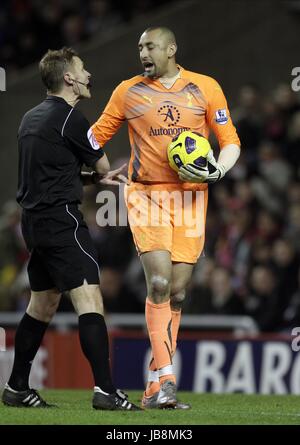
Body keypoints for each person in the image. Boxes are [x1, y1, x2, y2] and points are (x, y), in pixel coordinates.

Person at [91, 27, 241, 409]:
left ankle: (154, 387)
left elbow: (230, 142)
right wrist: (96, 169)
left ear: (171, 49)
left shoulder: (205, 87)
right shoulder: (128, 91)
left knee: (177, 291)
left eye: (150, 46)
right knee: (157, 282)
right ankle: (169, 380)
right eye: (139, 46)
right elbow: (95, 137)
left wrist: (217, 172)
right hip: (146, 194)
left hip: (191, 196)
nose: (143, 52)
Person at [1, 47, 140, 411]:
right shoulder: (72, 119)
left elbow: (50, 171)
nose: (88, 74)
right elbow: (103, 163)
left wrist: (87, 176)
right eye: (83, 68)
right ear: (69, 78)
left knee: (42, 304)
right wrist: (98, 174)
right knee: (90, 300)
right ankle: (106, 390)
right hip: (62, 221)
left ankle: (16, 387)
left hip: (34, 224)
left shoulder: (29, 118)